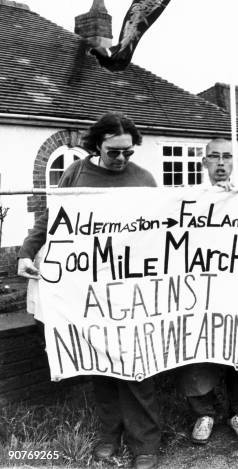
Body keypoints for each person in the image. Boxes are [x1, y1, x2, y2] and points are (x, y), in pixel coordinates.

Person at [17, 112, 159, 469]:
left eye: (129, 152)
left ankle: (145, 444)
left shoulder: (144, 180)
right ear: (97, 145)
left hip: (131, 285)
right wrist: (25, 252)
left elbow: (162, 229)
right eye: (114, 152)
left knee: (137, 361)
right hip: (89, 287)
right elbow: (52, 218)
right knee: (101, 361)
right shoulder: (75, 173)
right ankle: (109, 435)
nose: (122, 159)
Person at [178, 138, 238, 444]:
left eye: (227, 157)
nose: (221, 163)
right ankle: (204, 413)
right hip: (198, 285)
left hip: (235, 285)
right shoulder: (190, 197)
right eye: (215, 157)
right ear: (204, 162)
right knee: (197, 350)